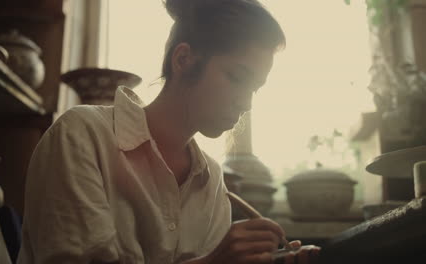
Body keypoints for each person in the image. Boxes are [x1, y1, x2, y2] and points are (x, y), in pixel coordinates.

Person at [17, 0, 320, 263]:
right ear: (184, 60)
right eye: (237, 77)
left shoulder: (211, 181)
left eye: (255, 89)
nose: (246, 103)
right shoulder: (82, 135)